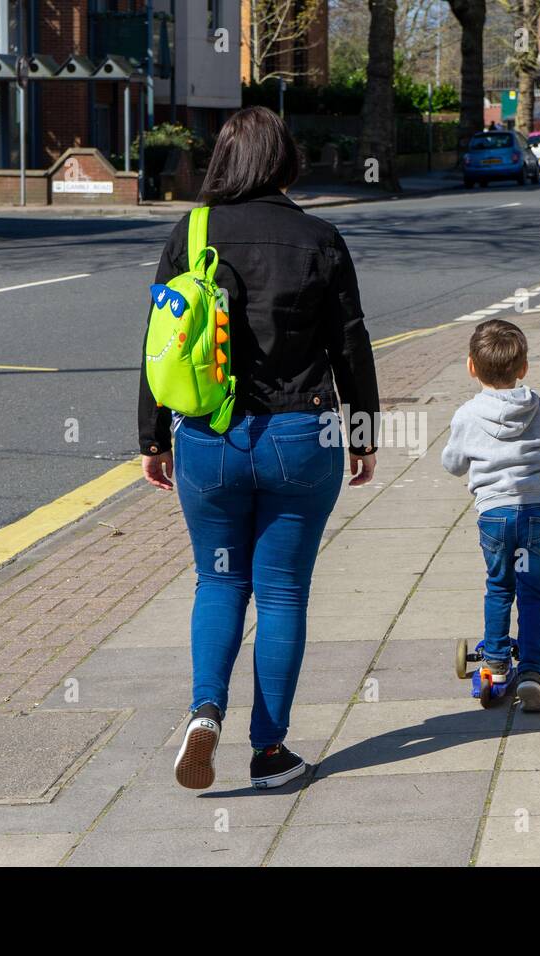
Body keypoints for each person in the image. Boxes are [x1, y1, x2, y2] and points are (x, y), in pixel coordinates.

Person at [139, 106, 380, 790]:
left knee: (219, 579)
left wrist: (153, 436)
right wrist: (362, 433)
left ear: (223, 161)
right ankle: (269, 752)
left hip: (210, 440)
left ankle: (204, 710)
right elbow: (351, 343)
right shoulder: (319, 237)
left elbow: (161, 341)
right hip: (299, 439)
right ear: (285, 162)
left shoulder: (192, 231)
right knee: (281, 593)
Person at [441, 319, 540, 712]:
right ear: (523, 368)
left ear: (471, 367)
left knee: (499, 585)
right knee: (533, 593)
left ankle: (495, 664)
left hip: (495, 514)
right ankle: (530, 672)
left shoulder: (467, 414)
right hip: (536, 510)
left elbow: (454, 464)